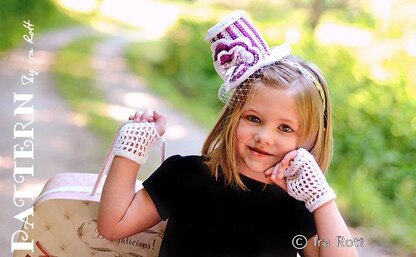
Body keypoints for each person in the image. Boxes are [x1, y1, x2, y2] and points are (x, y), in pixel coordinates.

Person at [98, 11, 359, 257]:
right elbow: (113, 225)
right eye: (254, 119)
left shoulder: (297, 205)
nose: (264, 136)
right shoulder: (186, 174)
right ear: (233, 118)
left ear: (308, 140)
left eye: (285, 128)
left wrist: (320, 198)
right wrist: (133, 144)